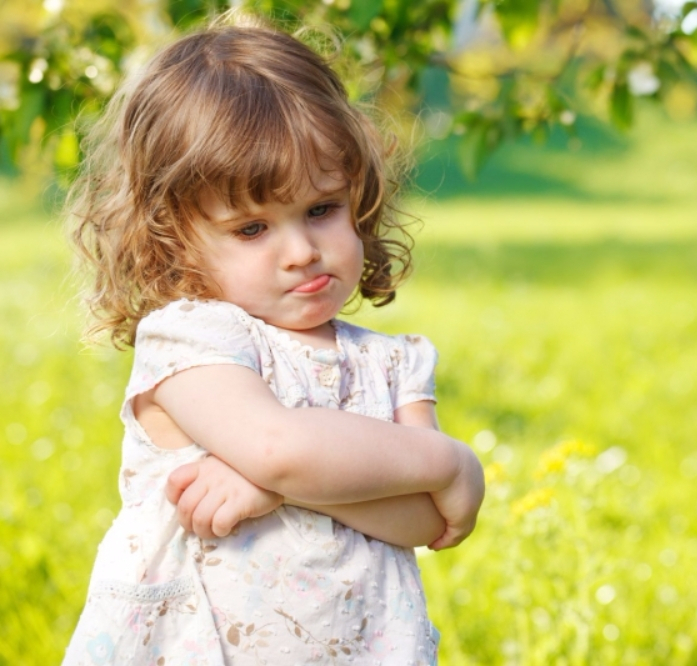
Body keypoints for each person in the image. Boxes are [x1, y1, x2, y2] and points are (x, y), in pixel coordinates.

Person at [62, 14, 485, 666]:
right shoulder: (191, 342)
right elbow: (277, 448)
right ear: (176, 239)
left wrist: (274, 489)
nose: (301, 252)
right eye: (252, 229)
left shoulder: (390, 361)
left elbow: (427, 520)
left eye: (321, 210)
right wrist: (450, 462)